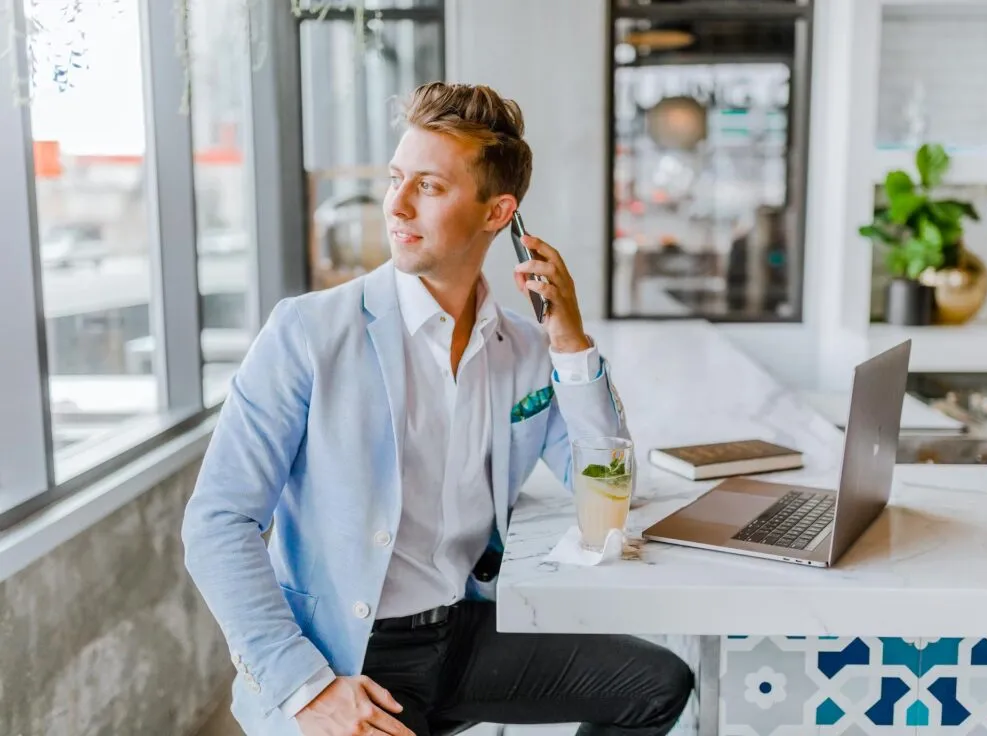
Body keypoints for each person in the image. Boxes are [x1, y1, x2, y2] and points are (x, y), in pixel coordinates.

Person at [181, 81, 693, 736]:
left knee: (657, 686)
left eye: (428, 185)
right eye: (397, 178)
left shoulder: (525, 350)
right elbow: (218, 522)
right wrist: (304, 686)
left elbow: (607, 492)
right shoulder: (307, 333)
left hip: (464, 633)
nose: (395, 204)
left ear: (496, 213)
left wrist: (569, 341)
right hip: (350, 657)